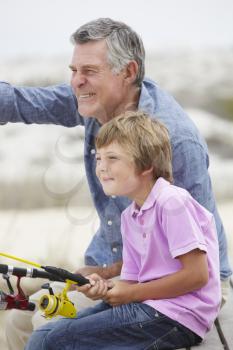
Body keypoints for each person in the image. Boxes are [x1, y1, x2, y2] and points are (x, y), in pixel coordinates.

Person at [0, 18, 231, 349]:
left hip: (175, 285)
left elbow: (195, 264)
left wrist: (124, 286)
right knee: (20, 321)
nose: (77, 82)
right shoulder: (95, 101)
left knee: (44, 325)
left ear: (128, 71)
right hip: (119, 269)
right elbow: (22, 102)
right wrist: (104, 273)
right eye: (74, 70)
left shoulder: (173, 141)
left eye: (89, 71)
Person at [25, 112, 221, 350]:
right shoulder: (130, 215)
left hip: (177, 316)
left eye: (113, 158)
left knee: (56, 341)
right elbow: (131, 282)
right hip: (146, 306)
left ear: (147, 165)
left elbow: (197, 275)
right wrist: (103, 288)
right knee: (44, 334)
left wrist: (131, 293)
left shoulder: (171, 202)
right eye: (99, 159)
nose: (102, 168)